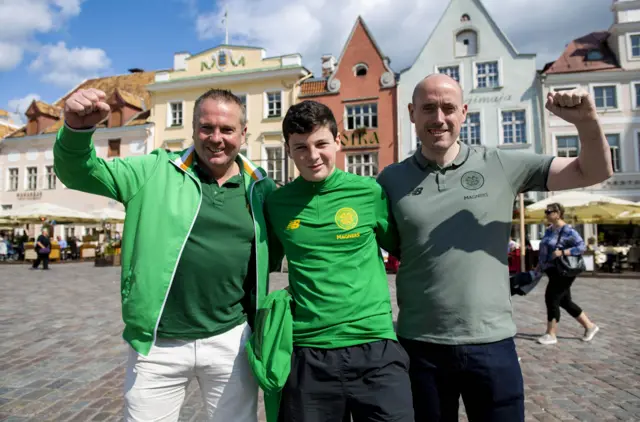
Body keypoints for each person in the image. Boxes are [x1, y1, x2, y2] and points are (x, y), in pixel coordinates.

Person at [377, 73, 613, 422]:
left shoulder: (501, 164)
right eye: (428, 108)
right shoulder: (390, 180)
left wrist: (587, 123)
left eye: (448, 108)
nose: (439, 118)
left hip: (492, 343)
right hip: (420, 345)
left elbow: (592, 171)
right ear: (412, 113)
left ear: (464, 112)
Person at [54, 87, 281, 422]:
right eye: (206, 128)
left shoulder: (261, 189)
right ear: (192, 129)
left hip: (231, 341)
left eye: (227, 129)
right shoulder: (153, 171)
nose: (216, 138)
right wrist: (76, 129)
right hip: (158, 345)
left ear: (244, 134)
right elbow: (79, 172)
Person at [265, 100, 413, 421]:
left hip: (375, 346)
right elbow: (260, 261)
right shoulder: (276, 204)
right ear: (289, 150)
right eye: (301, 147)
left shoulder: (369, 192)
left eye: (321, 143)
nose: (313, 155)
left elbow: (408, 250)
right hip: (308, 353)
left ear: (338, 141)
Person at [536, 202, 598, 345]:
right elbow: (544, 250)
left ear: (558, 213)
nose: (546, 214)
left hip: (564, 271)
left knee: (551, 298)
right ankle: (590, 326)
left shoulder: (568, 230)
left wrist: (563, 252)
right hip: (552, 270)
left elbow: (581, 247)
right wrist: (539, 266)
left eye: (549, 211)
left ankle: (551, 334)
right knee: (565, 301)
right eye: (546, 211)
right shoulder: (549, 230)